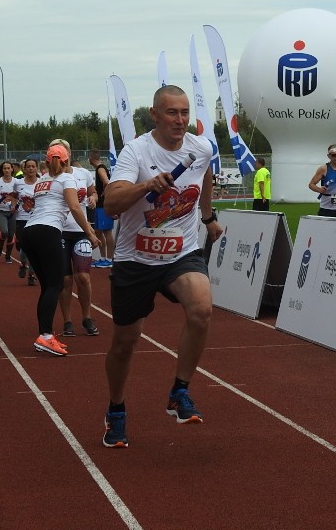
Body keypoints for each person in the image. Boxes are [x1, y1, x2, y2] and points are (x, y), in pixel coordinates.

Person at [102, 85, 223, 448]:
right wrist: (145, 185)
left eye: (185, 112)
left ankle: (179, 391)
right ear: (154, 114)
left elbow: (204, 176)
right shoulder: (136, 151)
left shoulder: (199, 147)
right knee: (126, 342)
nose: (180, 120)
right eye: (172, 113)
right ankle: (116, 410)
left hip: (180, 252)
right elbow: (110, 205)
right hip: (135, 260)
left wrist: (208, 216)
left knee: (201, 309)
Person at [20, 145, 99, 356]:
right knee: (55, 285)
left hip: (29, 232)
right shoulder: (67, 178)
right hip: (48, 231)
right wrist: (90, 233)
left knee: (48, 286)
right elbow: (74, 207)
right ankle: (45, 336)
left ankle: (45, 335)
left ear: (46, 162)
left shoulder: (41, 181)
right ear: (66, 161)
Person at [49, 139, 99, 337]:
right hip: (59, 232)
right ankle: (67, 320)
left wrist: (93, 198)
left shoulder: (83, 173)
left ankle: (87, 317)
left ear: (69, 153)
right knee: (66, 279)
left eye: (65, 149)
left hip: (80, 232)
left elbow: (93, 192)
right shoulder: (48, 178)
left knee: (83, 277)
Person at [13, 157, 39, 286]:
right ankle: (23, 264)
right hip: (22, 219)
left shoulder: (41, 182)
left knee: (34, 249)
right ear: (24, 169)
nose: (30, 168)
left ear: (36, 168)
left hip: (37, 219)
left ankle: (32, 275)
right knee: (23, 249)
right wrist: (13, 206)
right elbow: (13, 197)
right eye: (28, 166)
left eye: (33, 166)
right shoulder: (18, 183)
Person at [308, 144, 336, 217]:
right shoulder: (323, 169)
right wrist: (319, 189)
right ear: (329, 156)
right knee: (326, 228)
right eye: (333, 155)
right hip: (326, 206)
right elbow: (311, 185)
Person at [88, 148, 114, 268]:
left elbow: (107, 181)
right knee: (99, 231)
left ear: (90, 159)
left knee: (106, 231)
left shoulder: (100, 168)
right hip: (100, 206)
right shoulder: (100, 168)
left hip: (104, 205)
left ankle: (109, 259)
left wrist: (104, 192)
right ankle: (104, 258)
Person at [0, 161, 18, 263]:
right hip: (1, 211)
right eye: (4, 168)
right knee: (4, 232)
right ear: (2, 170)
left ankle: (8, 256)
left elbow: (18, 196)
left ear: (12, 169)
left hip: (12, 212)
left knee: (11, 235)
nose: (6, 170)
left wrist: (15, 204)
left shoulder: (16, 182)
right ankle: (0, 246)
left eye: (8, 168)